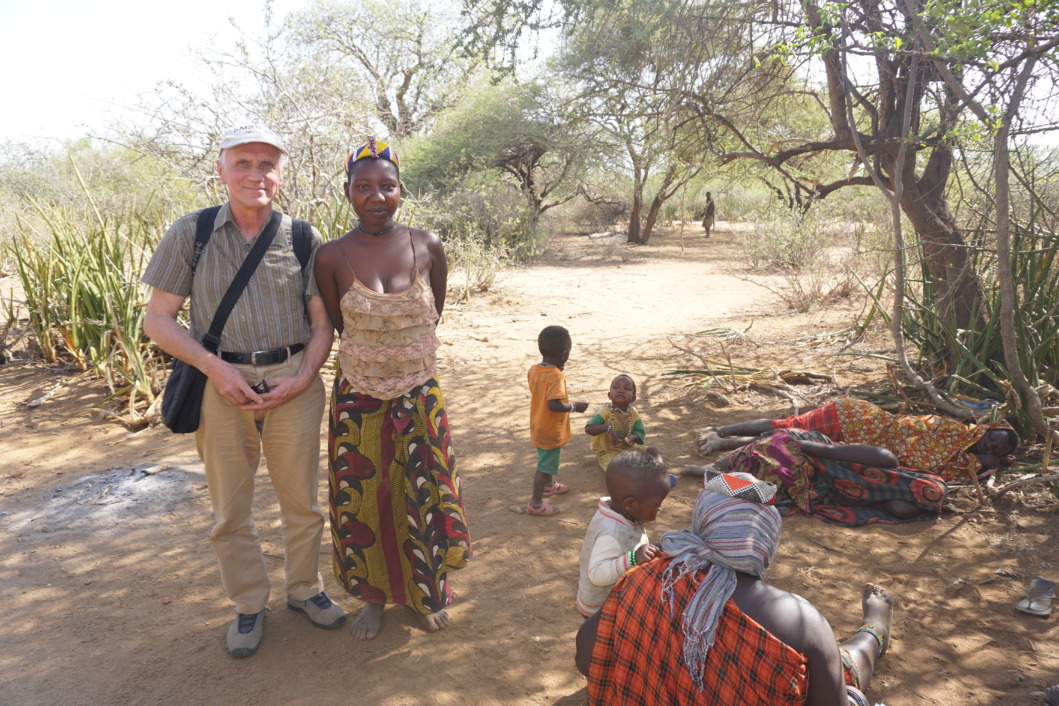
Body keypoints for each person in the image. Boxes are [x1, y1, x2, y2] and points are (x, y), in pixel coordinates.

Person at [142, 124, 344, 658]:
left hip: (293, 385)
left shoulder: (303, 237)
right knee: (230, 510)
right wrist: (214, 368)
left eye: (267, 165)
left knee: (302, 502)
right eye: (243, 163)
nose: (256, 174)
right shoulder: (192, 233)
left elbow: (322, 323)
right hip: (220, 387)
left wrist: (302, 378)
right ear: (221, 170)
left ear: (280, 174)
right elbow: (158, 319)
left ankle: (306, 590)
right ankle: (249, 603)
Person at [313, 138, 471, 639]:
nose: (376, 197)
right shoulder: (330, 256)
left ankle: (426, 596)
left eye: (387, 186)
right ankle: (374, 598)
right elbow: (339, 325)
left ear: (401, 190)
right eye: (364, 187)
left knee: (421, 496)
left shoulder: (426, 246)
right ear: (347, 192)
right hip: (358, 400)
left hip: (420, 397)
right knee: (363, 498)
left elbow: (435, 312)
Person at [576, 471, 894, 705]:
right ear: (767, 538)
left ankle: (873, 630)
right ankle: (874, 630)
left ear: (703, 522)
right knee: (843, 673)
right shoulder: (801, 622)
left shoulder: (644, 578)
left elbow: (585, 655)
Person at [697, 396, 1019, 482]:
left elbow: (942, 471)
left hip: (861, 437)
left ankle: (724, 444)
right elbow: (922, 450)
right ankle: (722, 434)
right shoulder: (954, 432)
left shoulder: (972, 456)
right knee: (786, 426)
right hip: (855, 420)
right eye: (991, 441)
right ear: (988, 430)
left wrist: (981, 463)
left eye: (995, 449)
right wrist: (977, 459)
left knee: (788, 435)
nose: (988, 448)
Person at [683, 429, 951, 526]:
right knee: (771, 450)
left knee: (772, 497)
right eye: (914, 491)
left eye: (919, 503)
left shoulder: (892, 505)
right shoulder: (885, 460)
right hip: (814, 456)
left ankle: (714, 479)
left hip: (816, 487)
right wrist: (793, 450)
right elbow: (830, 450)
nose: (909, 501)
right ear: (911, 478)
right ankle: (721, 465)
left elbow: (898, 509)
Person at [576, 448, 672, 617]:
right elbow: (597, 574)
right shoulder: (611, 533)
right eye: (656, 505)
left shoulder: (625, 511)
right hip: (600, 609)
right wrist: (633, 558)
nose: (660, 508)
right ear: (630, 504)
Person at [525, 325, 589, 516]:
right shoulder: (556, 376)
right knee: (544, 467)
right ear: (564, 353)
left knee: (546, 461)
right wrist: (574, 407)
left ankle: (550, 486)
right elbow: (554, 405)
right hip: (550, 429)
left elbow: (541, 394)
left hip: (538, 425)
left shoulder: (534, 370)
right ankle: (535, 504)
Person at [584, 375, 646, 472]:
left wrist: (632, 438)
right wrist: (607, 428)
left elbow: (639, 432)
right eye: (616, 387)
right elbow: (588, 428)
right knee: (618, 468)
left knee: (654, 451)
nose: (620, 390)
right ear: (609, 395)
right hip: (609, 452)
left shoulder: (633, 413)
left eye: (626, 388)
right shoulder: (605, 412)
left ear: (633, 398)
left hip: (629, 449)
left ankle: (660, 473)